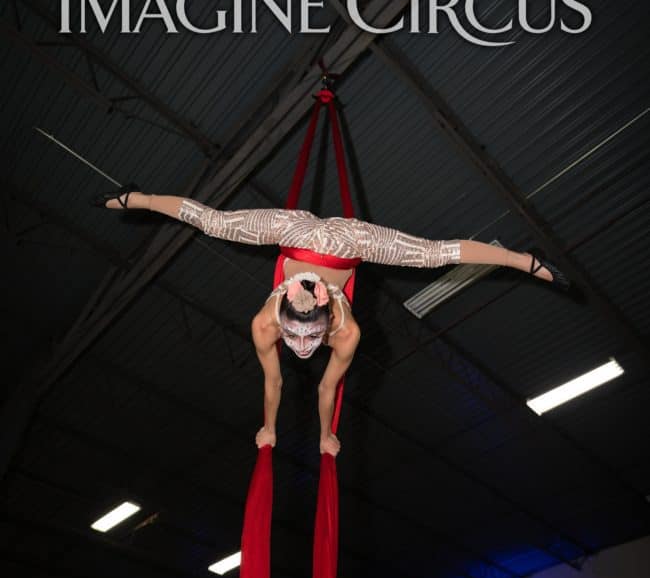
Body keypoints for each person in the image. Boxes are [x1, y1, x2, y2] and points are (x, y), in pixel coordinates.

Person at [94, 186, 569, 456]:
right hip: (332, 242)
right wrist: (311, 434)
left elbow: (285, 387)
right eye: (303, 339)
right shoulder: (335, 330)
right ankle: (135, 197)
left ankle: (523, 261)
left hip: (320, 239)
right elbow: (310, 390)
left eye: (299, 338)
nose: (300, 347)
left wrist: (282, 431)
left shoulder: (297, 328)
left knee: (433, 255)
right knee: (215, 222)